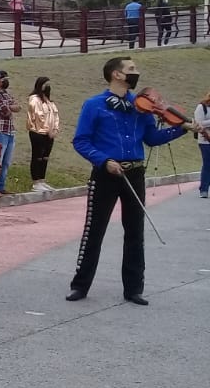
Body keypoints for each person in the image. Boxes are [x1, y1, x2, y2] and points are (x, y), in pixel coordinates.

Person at [66, 56, 189, 305]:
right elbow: (81, 140)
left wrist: (182, 128)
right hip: (106, 173)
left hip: (134, 172)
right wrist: (103, 160)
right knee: (94, 231)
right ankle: (80, 285)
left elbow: (152, 138)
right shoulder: (94, 105)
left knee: (135, 232)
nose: (136, 72)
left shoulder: (141, 106)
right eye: (131, 69)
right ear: (116, 74)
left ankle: (134, 289)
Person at [26, 76, 60, 192]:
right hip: (37, 132)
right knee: (37, 157)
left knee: (45, 157)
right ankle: (35, 182)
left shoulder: (49, 101)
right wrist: (47, 130)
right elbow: (38, 116)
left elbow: (55, 116)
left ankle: (42, 180)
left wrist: (55, 129)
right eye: (46, 84)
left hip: (49, 134)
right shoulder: (34, 99)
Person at [195, 90, 210, 199]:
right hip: (205, 140)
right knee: (207, 164)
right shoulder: (202, 107)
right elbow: (198, 123)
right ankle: (204, 189)